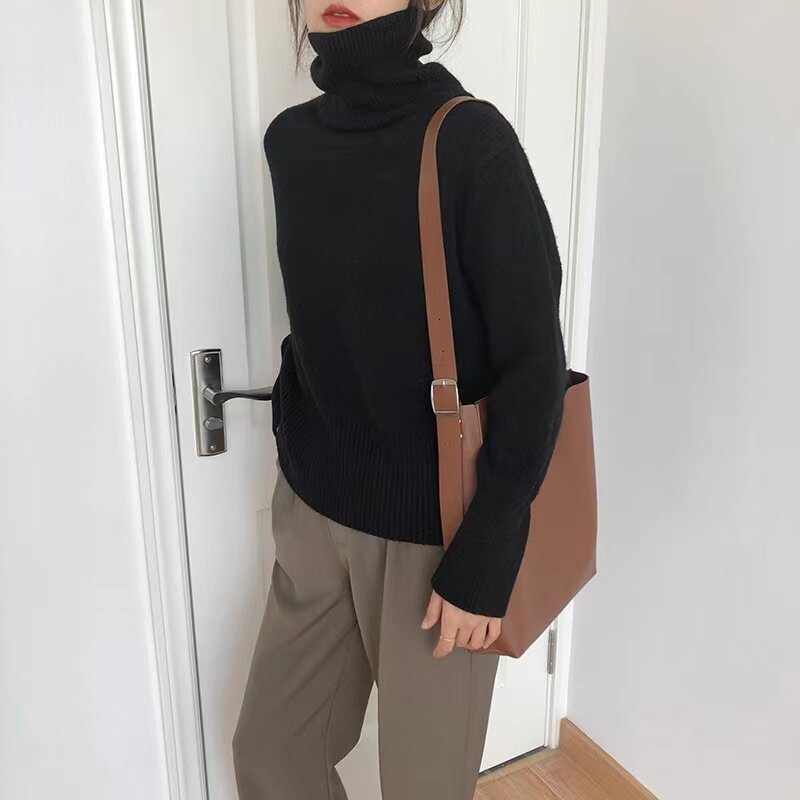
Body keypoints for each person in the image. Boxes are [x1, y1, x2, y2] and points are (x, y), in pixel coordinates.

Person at [232, 2, 567, 798]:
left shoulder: (471, 143)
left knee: (423, 787)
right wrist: (295, 440)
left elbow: (534, 364)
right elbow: (326, 321)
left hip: (437, 538)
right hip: (316, 516)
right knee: (271, 756)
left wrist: (489, 548)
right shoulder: (290, 142)